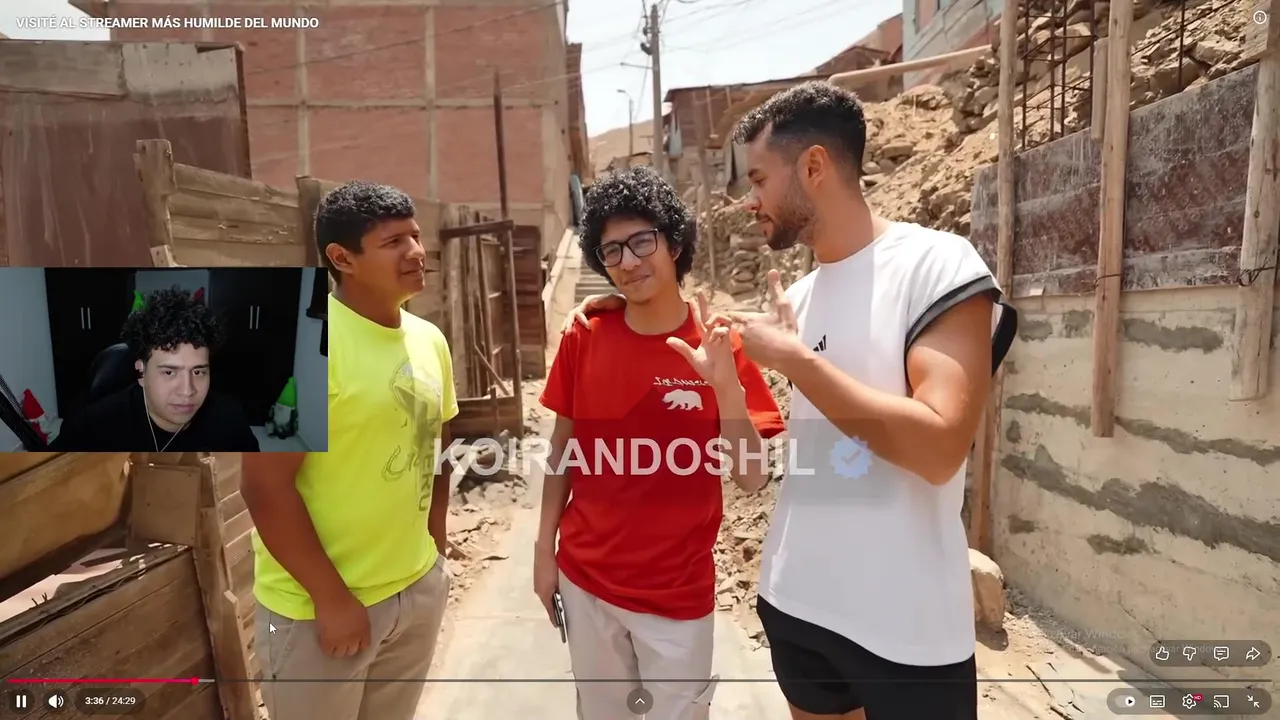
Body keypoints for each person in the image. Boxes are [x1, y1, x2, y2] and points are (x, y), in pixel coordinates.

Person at [567, 82, 1017, 720]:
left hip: (906, 627)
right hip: (798, 606)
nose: (748, 200)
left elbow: (941, 447)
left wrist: (794, 359)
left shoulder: (936, 266)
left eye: (758, 179)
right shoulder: (799, 298)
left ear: (813, 166)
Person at [536, 165, 785, 720]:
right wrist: (542, 553)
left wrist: (725, 387)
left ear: (673, 243)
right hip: (586, 581)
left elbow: (751, 477)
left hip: (677, 596)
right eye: (612, 251)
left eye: (641, 242)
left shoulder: (720, 346)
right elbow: (561, 451)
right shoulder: (586, 335)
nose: (628, 262)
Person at [241, 181, 456, 720]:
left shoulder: (428, 338)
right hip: (319, 610)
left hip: (415, 591)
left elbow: (437, 444)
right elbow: (265, 487)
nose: (416, 252)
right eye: (393, 242)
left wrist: (434, 550)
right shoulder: (301, 348)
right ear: (342, 258)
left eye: (415, 236)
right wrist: (331, 598)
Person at [50, 286, 260, 452]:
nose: (187, 391)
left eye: (198, 372)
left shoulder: (231, 424)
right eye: (169, 372)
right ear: (141, 372)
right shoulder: (93, 428)